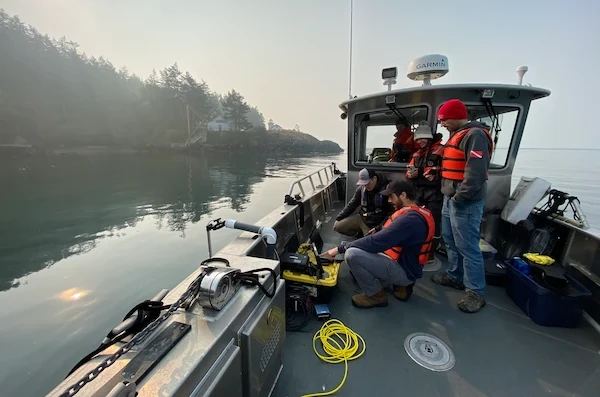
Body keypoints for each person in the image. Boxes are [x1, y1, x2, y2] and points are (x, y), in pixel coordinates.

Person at [324, 180, 435, 309]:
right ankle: (397, 285)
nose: (389, 201)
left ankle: (376, 296)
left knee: (352, 254)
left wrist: (339, 249)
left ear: (403, 195)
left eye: (391, 197)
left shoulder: (410, 220)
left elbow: (376, 242)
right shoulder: (417, 212)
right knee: (354, 254)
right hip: (406, 264)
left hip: (404, 271)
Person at [431, 99, 494, 313]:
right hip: (451, 199)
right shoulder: (458, 135)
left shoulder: (474, 135)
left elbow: (475, 174)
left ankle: (476, 292)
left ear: (456, 116)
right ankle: (455, 276)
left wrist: (459, 198)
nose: (443, 125)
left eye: (444, 120)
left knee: (467, 246)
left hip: (464, 202)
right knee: (449, 240)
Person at [405, 121, 445, 262]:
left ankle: (430, 255)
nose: (420, 141)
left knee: (434, 223)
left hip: (434, 193)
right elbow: (409, 169)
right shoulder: (417, 154)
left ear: (429, 138)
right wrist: (409, 174)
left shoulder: (441, 150)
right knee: (417, 221)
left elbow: (445, 171)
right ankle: (417, 249)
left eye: (422, 138)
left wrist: (420, 172)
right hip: (418, 193)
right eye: (417, 139)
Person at [333, 168, 393, 237]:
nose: (366, 186)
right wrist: (338, 218)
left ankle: (366, 236)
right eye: (363, 183)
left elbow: (390, 214)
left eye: (367, 183)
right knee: (338, 226)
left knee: (371, 242)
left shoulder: (387, 191)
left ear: (374, 178)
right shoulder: (361, 190)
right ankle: (359, 235)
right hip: (362, 218)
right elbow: (352, 204)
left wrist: (378, 228)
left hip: (377, 223)